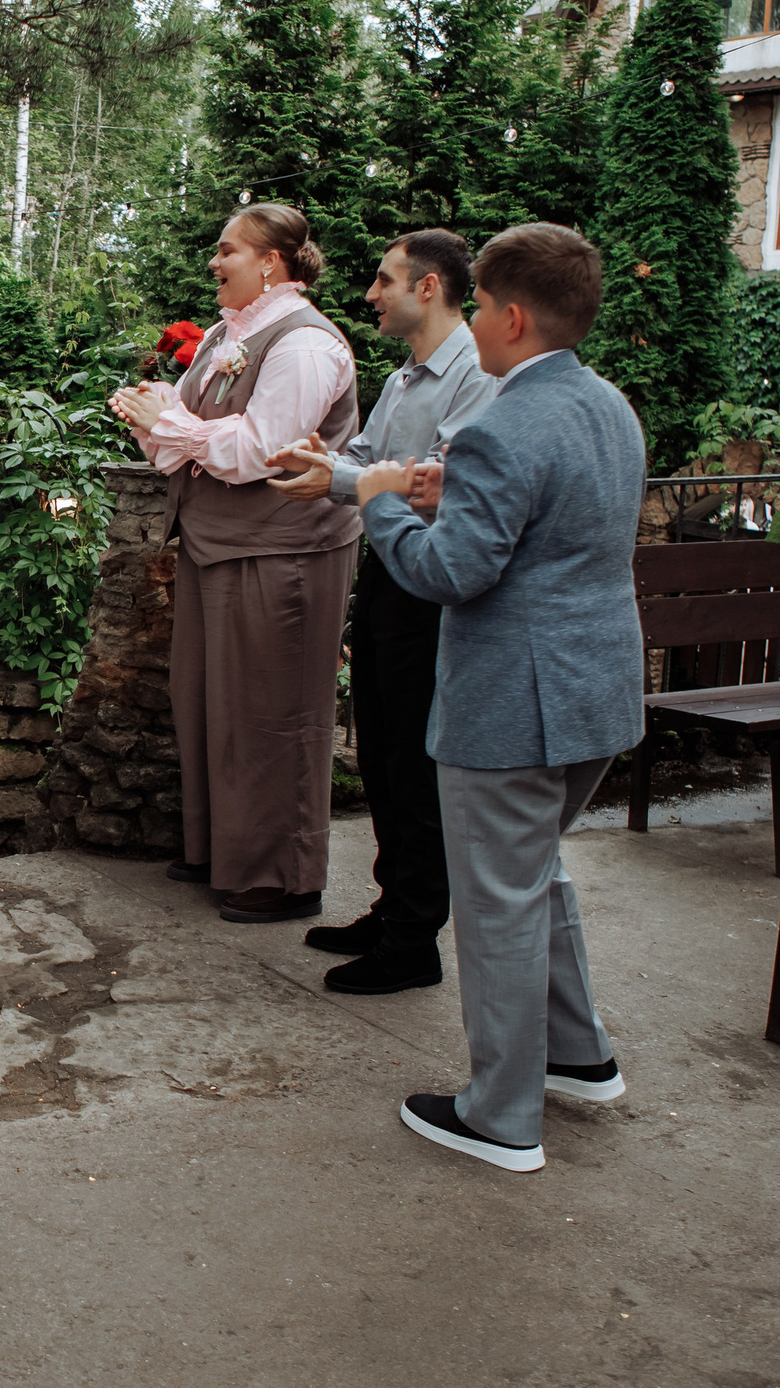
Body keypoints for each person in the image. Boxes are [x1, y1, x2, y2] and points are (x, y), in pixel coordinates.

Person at [354, 223, 644, 1174]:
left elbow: (450, 573)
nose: (472, 319)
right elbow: (546, 524)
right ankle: (579, 1054)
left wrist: (381, 501)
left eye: (477, 304)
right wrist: (446, 490)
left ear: (513, 317)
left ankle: (502, 1114)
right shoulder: (608, 407)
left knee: (497, 904)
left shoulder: (501, 421)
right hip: (597, 690)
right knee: (536, 874)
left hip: (513, 702)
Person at [109, 203, 360, 922]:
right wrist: (152, 417)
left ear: (270, 262)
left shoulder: (306, 344)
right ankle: (222, 850)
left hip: (284, 549)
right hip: (216, 542)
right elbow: (188, 434)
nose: (214, 263)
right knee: (209, 704)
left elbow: (261, 452)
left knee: (273, 711)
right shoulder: (227, 333)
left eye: (227, 250)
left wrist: (176, 424)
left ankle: (282, 875)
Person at [269, 229, 496, 993]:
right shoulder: (403, 379)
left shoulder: (474, 374)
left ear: (427, 287)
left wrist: (349, 478)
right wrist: (322, 465)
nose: (370, 293)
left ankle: (415, 939)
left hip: (435, 586)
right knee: (380, 753)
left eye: (384, 279)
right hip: (389, 574)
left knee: (416, 759)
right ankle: (393, 905)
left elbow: (439, 479)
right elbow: (370, 463)